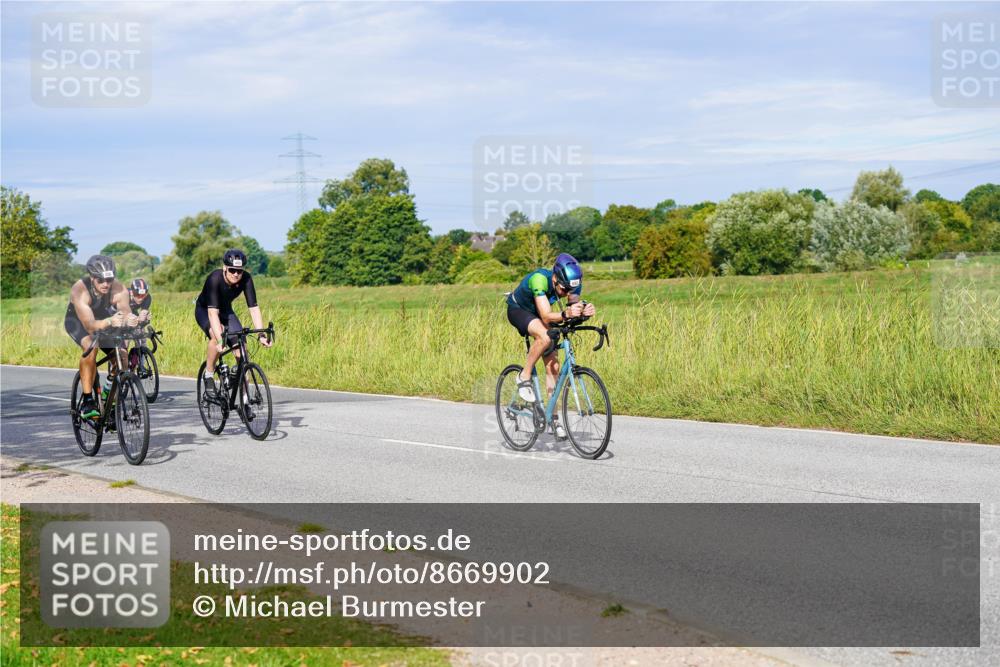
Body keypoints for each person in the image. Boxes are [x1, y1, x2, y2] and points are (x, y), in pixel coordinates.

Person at [505, 253, 596, 439]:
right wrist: (566, 313)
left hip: (541, 314)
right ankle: (523, 376)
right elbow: (546, 317)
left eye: (570, 289)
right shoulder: (539, 279)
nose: (566, 292)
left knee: (553, 366)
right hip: (519, 310)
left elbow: (572, 309)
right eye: (563, 289)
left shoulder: (571, 283)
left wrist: (583, 311)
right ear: (555, 278)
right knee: (545, 337)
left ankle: (553, 419)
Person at [64, 255, 138, 418]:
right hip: (78, 321)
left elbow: (126, 313)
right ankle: (88, 401)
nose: (106, 284)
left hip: (104, 318)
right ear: (92, 278)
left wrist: (131, 320)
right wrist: (110, 321)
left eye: (109, 279)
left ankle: (108, 394)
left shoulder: (119, 289)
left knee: (122, 356)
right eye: (100, 280)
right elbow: (90, 326)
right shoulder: (80, 290)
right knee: (91, 347)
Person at [194, 248, 272, 394]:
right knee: (217, 334)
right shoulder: (214, 279)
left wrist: (261, 334)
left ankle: (244, 398)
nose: (236, 274)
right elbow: (212, 313)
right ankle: (209, 374)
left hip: (226, 310)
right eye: (232, 270)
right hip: (205, 310)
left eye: (239, 271)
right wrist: (220, 340)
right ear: (225, 268)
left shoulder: (246, 279)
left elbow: (254, 308)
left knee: (241, 349)